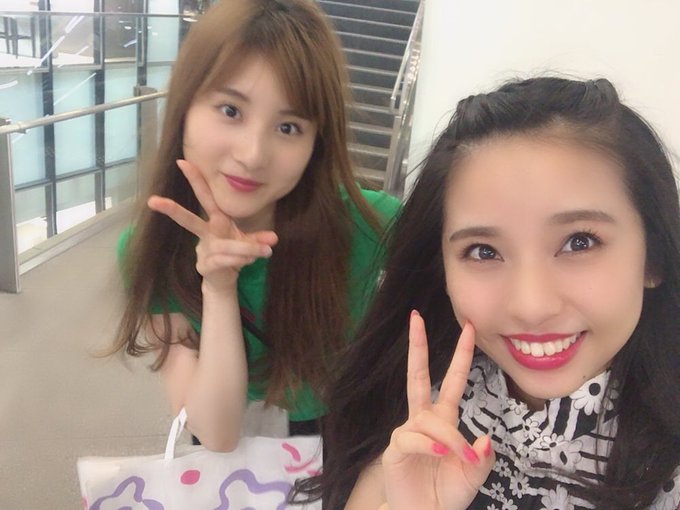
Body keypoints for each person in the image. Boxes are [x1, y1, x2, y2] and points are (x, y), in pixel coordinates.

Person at [302, 77, 680, 509]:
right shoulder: (425, 400)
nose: (531, 306)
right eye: (484, 251)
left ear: (653, 257)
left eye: (579, 242)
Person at [110, 0, 400, 452]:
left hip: (343, 442)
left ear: (315, 143)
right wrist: (219, 287)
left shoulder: (368, 222)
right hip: (231, 451)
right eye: (231, 110)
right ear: (185, 106)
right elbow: (216, 433)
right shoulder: (152, 248)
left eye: (288, 127)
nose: (252, 155)